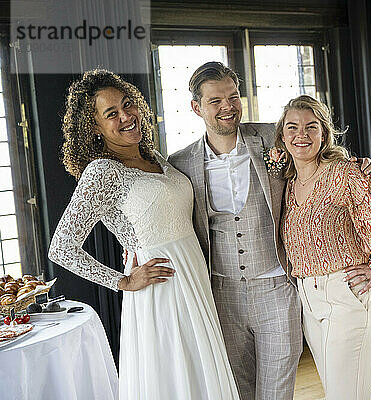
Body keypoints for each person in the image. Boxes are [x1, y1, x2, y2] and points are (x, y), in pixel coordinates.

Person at [168, 61, 371, 400]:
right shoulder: (179, 163)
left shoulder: (273, 136)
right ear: (196, 107)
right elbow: (165, 212)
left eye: (234, 97)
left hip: (277, 288)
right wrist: (138, 245)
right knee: (239, 389)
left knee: (278, 389)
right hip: (222, 295)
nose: (228, 107)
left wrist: (358, 164)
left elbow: (316, 145)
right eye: (215, 101)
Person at [48, 69, 239, 400]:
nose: (125, 116)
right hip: (161, 291)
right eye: (111, 114)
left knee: (201, 375)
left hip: (194, 280)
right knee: (176, 379)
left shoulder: (154, 158)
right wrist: (123, 282)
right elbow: (61, 248)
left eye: (127, 104)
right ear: (94, 127)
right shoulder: (102, 172)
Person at [275, 95, 371, 400]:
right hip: (308, 299)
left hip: (347, 294)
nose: (301, 135)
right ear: (281, 136)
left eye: (311, 127)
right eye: (292, 127)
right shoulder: (286, 180)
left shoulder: (346, 172)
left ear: (325, 133)